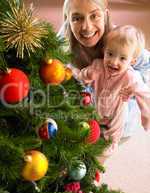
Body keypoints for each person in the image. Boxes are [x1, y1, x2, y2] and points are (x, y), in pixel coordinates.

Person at [58, 0, 150, 137]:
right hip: (90, 111)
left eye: (94, 16)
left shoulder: (121, 40)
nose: (87, 27)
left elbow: (147, 65)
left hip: (119, 112)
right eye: (77, 18)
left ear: (106, 15)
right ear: (68, 21)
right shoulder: (62, 44)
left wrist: (132, 87)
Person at [72, 25, 150, 161]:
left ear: (132, 61)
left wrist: (146, 115)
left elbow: (144, 94)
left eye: (122, 58)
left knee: (115, 129)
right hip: (96, 103)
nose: (114, 61)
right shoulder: (97, 65)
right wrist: (86, 75)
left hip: (116, 109)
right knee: (87, 115)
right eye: (110, 54)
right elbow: (83, 75)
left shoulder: (130, 77)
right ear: (104, 51)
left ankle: (112, 143)